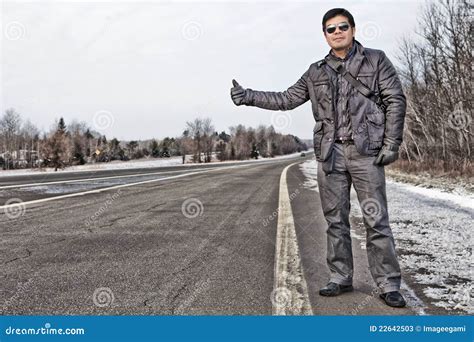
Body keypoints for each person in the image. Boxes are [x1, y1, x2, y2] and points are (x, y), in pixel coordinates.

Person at [230, 8, 407, 308]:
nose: (337, 32)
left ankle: (389, 283)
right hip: (330, 154)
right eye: (330, 29)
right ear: (324, 35)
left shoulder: (376, 60)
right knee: (335, 220)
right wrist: (248, 96)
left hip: (367, 154)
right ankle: (340, 277)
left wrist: (392, 142)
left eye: (342, 26)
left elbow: (395, 99)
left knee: (376, 220)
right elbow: (286, 99)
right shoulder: (316, 71)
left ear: (353, 29)